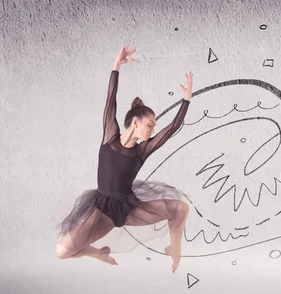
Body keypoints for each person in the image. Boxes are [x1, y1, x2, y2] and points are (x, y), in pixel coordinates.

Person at [54, 42, 193, 273]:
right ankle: (97, 252)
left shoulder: (142, 151)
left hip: (129, 208)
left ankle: (174, 249)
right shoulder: (110, 137)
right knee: (62, 252)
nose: (152, 130)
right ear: (136, 122)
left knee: (181, 208)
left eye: (153, 126)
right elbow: (111, 99)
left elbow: (171, 129)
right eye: (150, 125)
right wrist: (116, 66)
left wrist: (186, 100)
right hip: (102, 211)